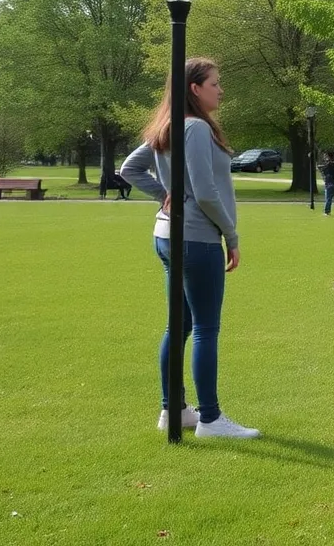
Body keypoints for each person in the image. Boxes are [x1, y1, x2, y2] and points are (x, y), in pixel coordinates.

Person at [120, 57, 261, 439]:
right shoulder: (195, 127)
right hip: (196, 239)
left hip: (167, 237)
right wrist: (231, 236)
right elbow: (205, 192)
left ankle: (174, 411)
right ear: (195, 89)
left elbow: (129, 169)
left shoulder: (167, 127)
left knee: (178, 325)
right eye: (215, 83)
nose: (221, 89)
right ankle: (211, 420)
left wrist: (166, 194)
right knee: (204, 329)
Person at [320, 150, 334, 216]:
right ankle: (327, 211)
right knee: (329, 198)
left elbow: (324, 172)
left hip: (329, 184)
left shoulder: (328, 165)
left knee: (328, 199)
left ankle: (327, 211)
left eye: (326, 156)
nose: (325, 157)